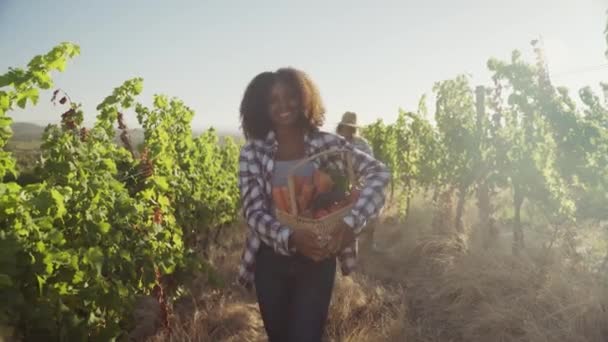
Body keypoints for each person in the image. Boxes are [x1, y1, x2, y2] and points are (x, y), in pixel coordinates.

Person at [237, 67, 390, 342]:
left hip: (317, 259)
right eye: (273, 100)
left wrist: (350, 224)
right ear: (261, 106)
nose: (283, 105)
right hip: (270, 261)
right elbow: (253, 212)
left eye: (291, 96)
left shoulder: (326, 143)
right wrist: (291, 238)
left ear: (304, 98)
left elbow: (379, 173)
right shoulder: (252, 152)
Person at [336, 111, 379, 252]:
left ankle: (368, 244)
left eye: (351, 127)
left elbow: (371, 165)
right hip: (339, 184)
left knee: (372, 209)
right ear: (341, 127)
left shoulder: (362, 144)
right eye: (345, 127)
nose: (348, 130)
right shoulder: (335, 143)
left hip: (359, 183)